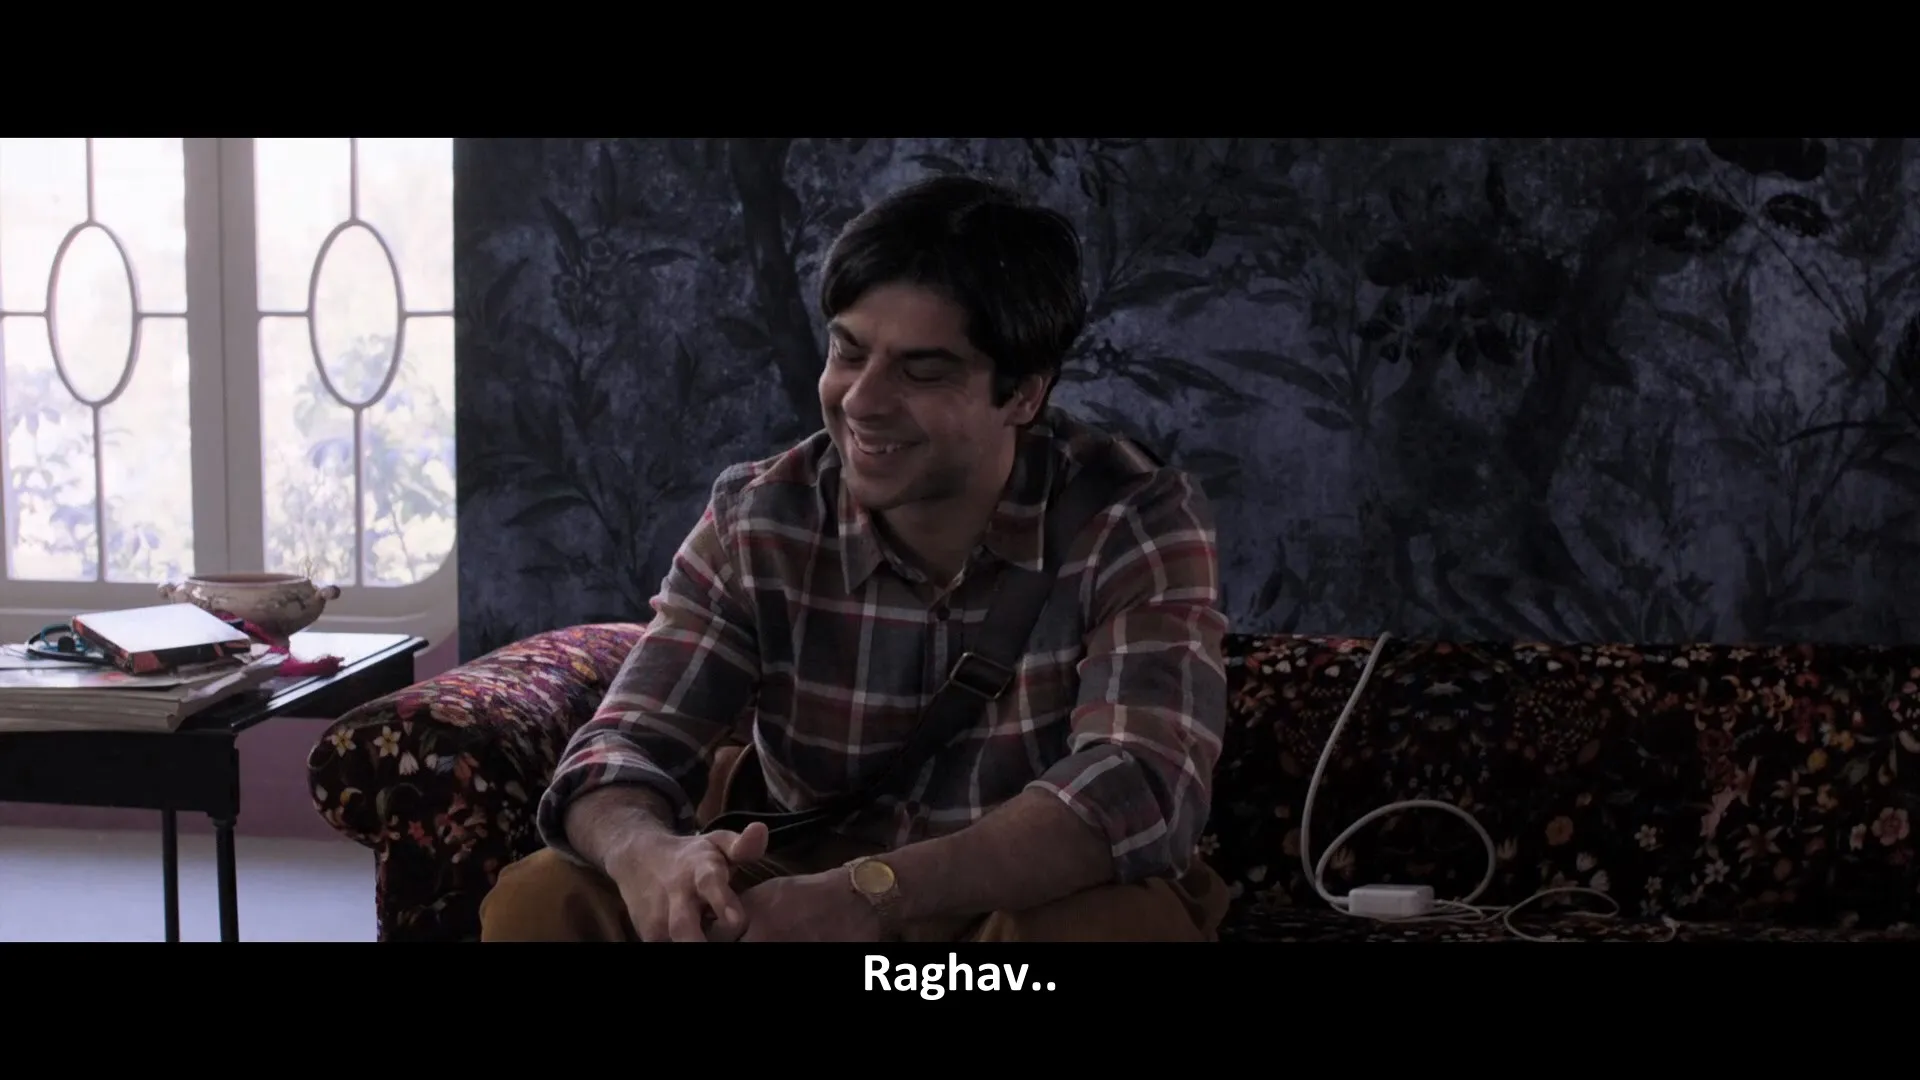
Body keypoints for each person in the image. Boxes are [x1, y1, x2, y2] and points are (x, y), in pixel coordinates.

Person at [478, 173, 1231, 943]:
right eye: (848, 351)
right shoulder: (761, 518)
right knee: (543, 899)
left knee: (1106, 928)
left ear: (1023, 395)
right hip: (793, 892)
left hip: (1012, 900)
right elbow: (620, 747)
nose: (863, 401)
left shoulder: (1131, 518)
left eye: (922, 370)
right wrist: (648, 854)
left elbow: (1140, 784)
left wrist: (872, 895)